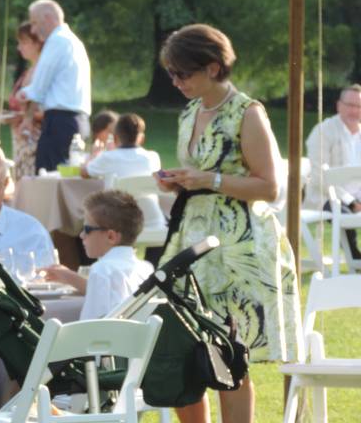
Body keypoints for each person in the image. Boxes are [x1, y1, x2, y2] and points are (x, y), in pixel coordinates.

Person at [154, 23, 300, 423]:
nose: (175, 81)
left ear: (214, 68)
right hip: (192, 243)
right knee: (184, 349)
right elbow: (198, 174)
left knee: (229, 355)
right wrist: (177, 182)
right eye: (171, 73)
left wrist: (210, 180)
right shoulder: (189, 112)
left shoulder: (248, 113)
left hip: (238, 248)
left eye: (183, 73)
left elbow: (270, 187)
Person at [43, 190, 154, 320]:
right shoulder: (146, 268)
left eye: (87, 229)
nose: (81, 235)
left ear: (111, 236)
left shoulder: (102, 270)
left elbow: (90, 325)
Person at [18, 0, 91, 172]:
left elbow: (38, 88)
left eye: (34, 23)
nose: (33, 30)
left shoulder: (57, 41)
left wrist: (21, 94)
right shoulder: (73, 41)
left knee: (48, 178)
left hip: (60, 123)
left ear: (48, 17)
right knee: (67, 176)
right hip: (76, 121)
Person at [82, 113, 166, 232]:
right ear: (142, 138)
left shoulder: (107, 158)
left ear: (115, 138)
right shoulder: (153, 157)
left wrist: (94, 155)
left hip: (118, 226)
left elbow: (84, 172)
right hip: (153, 221)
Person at [305, 83, 361, 259]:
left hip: (358, 196)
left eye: (359, 106)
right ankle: (355, 259)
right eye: (350, 105)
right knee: (343, 215)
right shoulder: (323, 131)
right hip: (327, 196)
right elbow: (319, 177)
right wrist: (351, 202)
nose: (354, 111)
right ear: (339, 105)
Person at [6, 22, 44, 180]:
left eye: (24, 42)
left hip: (33, 140)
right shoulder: (30, 71)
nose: (19, 47)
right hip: (21, 140)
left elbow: (45, 109)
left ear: (38, 43)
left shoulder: (43, 72)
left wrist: (23, 117)